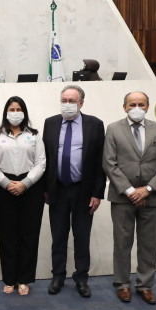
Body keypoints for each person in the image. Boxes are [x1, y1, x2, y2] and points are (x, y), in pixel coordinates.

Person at [102, 91, 156, 305]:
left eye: (141, 104)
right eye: (132, 104)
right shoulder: (114, 129)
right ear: (124, 107)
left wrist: (148, 189)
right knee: (122, 243)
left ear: (147, 106)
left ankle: (145, 285)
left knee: (149, 244)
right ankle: (122, 284)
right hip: (122, 198)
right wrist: (131, 191)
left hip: (152, 197)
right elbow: (109, 164)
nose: (137, 107)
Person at [42, 85, 106, 298]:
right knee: (58, 236)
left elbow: (100, 162)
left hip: (83, 191)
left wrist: (97, 193)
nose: (67, 104)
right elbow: (46, 159)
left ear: (81, 103)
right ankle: (58, 276)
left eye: (72, 100)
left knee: (81, 236)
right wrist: (45, 189)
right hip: (57, 190)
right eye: (64, 100)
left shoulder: (94, 125)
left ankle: (81, 278)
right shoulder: (50, 123)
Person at [0, 96, 46, 296]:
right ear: (6, 112)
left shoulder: (35, 135)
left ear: (24, 112)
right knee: (7, 236)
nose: (15, 113)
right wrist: (6, 183)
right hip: (4, 189)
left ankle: (24, 279)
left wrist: (25, 183)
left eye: (18, 109)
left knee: (29, 235)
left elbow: (41, 163)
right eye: (11, 109)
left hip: (30, 188)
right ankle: (9, 279)